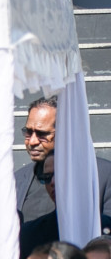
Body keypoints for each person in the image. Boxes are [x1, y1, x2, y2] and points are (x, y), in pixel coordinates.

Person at [14, 96, 111, 224]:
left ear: (65, 132)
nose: (32, 141)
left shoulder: (103, 176)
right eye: (28, 132)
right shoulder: (17, 181)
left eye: (42, 134)